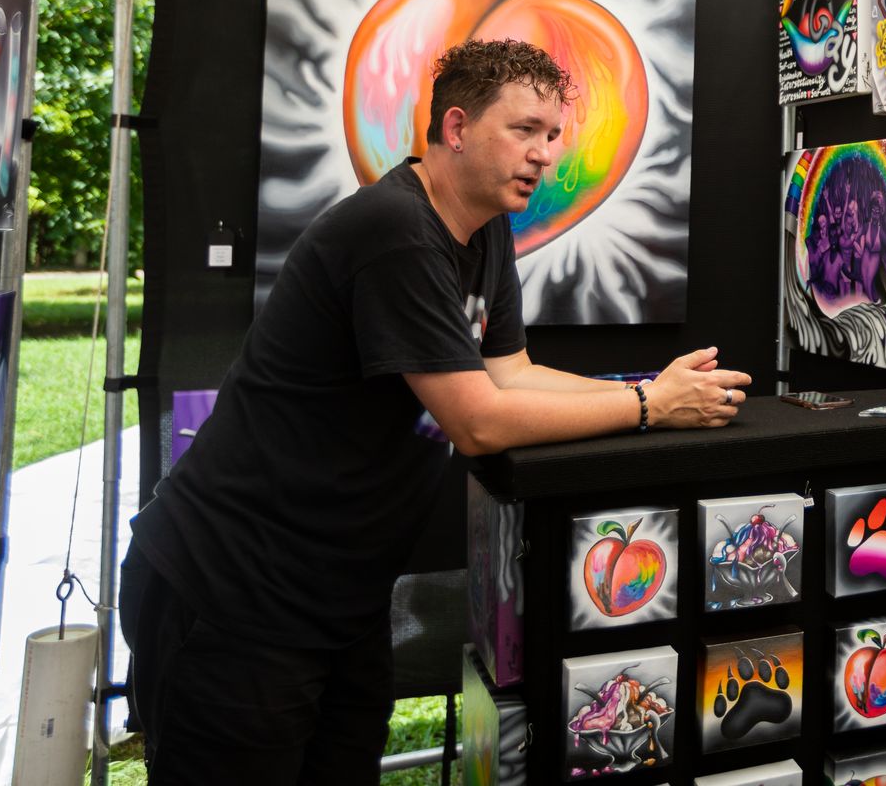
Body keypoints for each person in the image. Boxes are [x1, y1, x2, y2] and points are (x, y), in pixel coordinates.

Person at [119, 38, 751, 782]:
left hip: (335, 597)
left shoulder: (484, 234)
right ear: (456, 128)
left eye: (552, 135)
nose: (544, 154)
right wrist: (649, 405)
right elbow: (478, 418)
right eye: (524, 131)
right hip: (230, 589)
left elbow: (511, 375)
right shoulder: (394, 228)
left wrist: (655, 389)